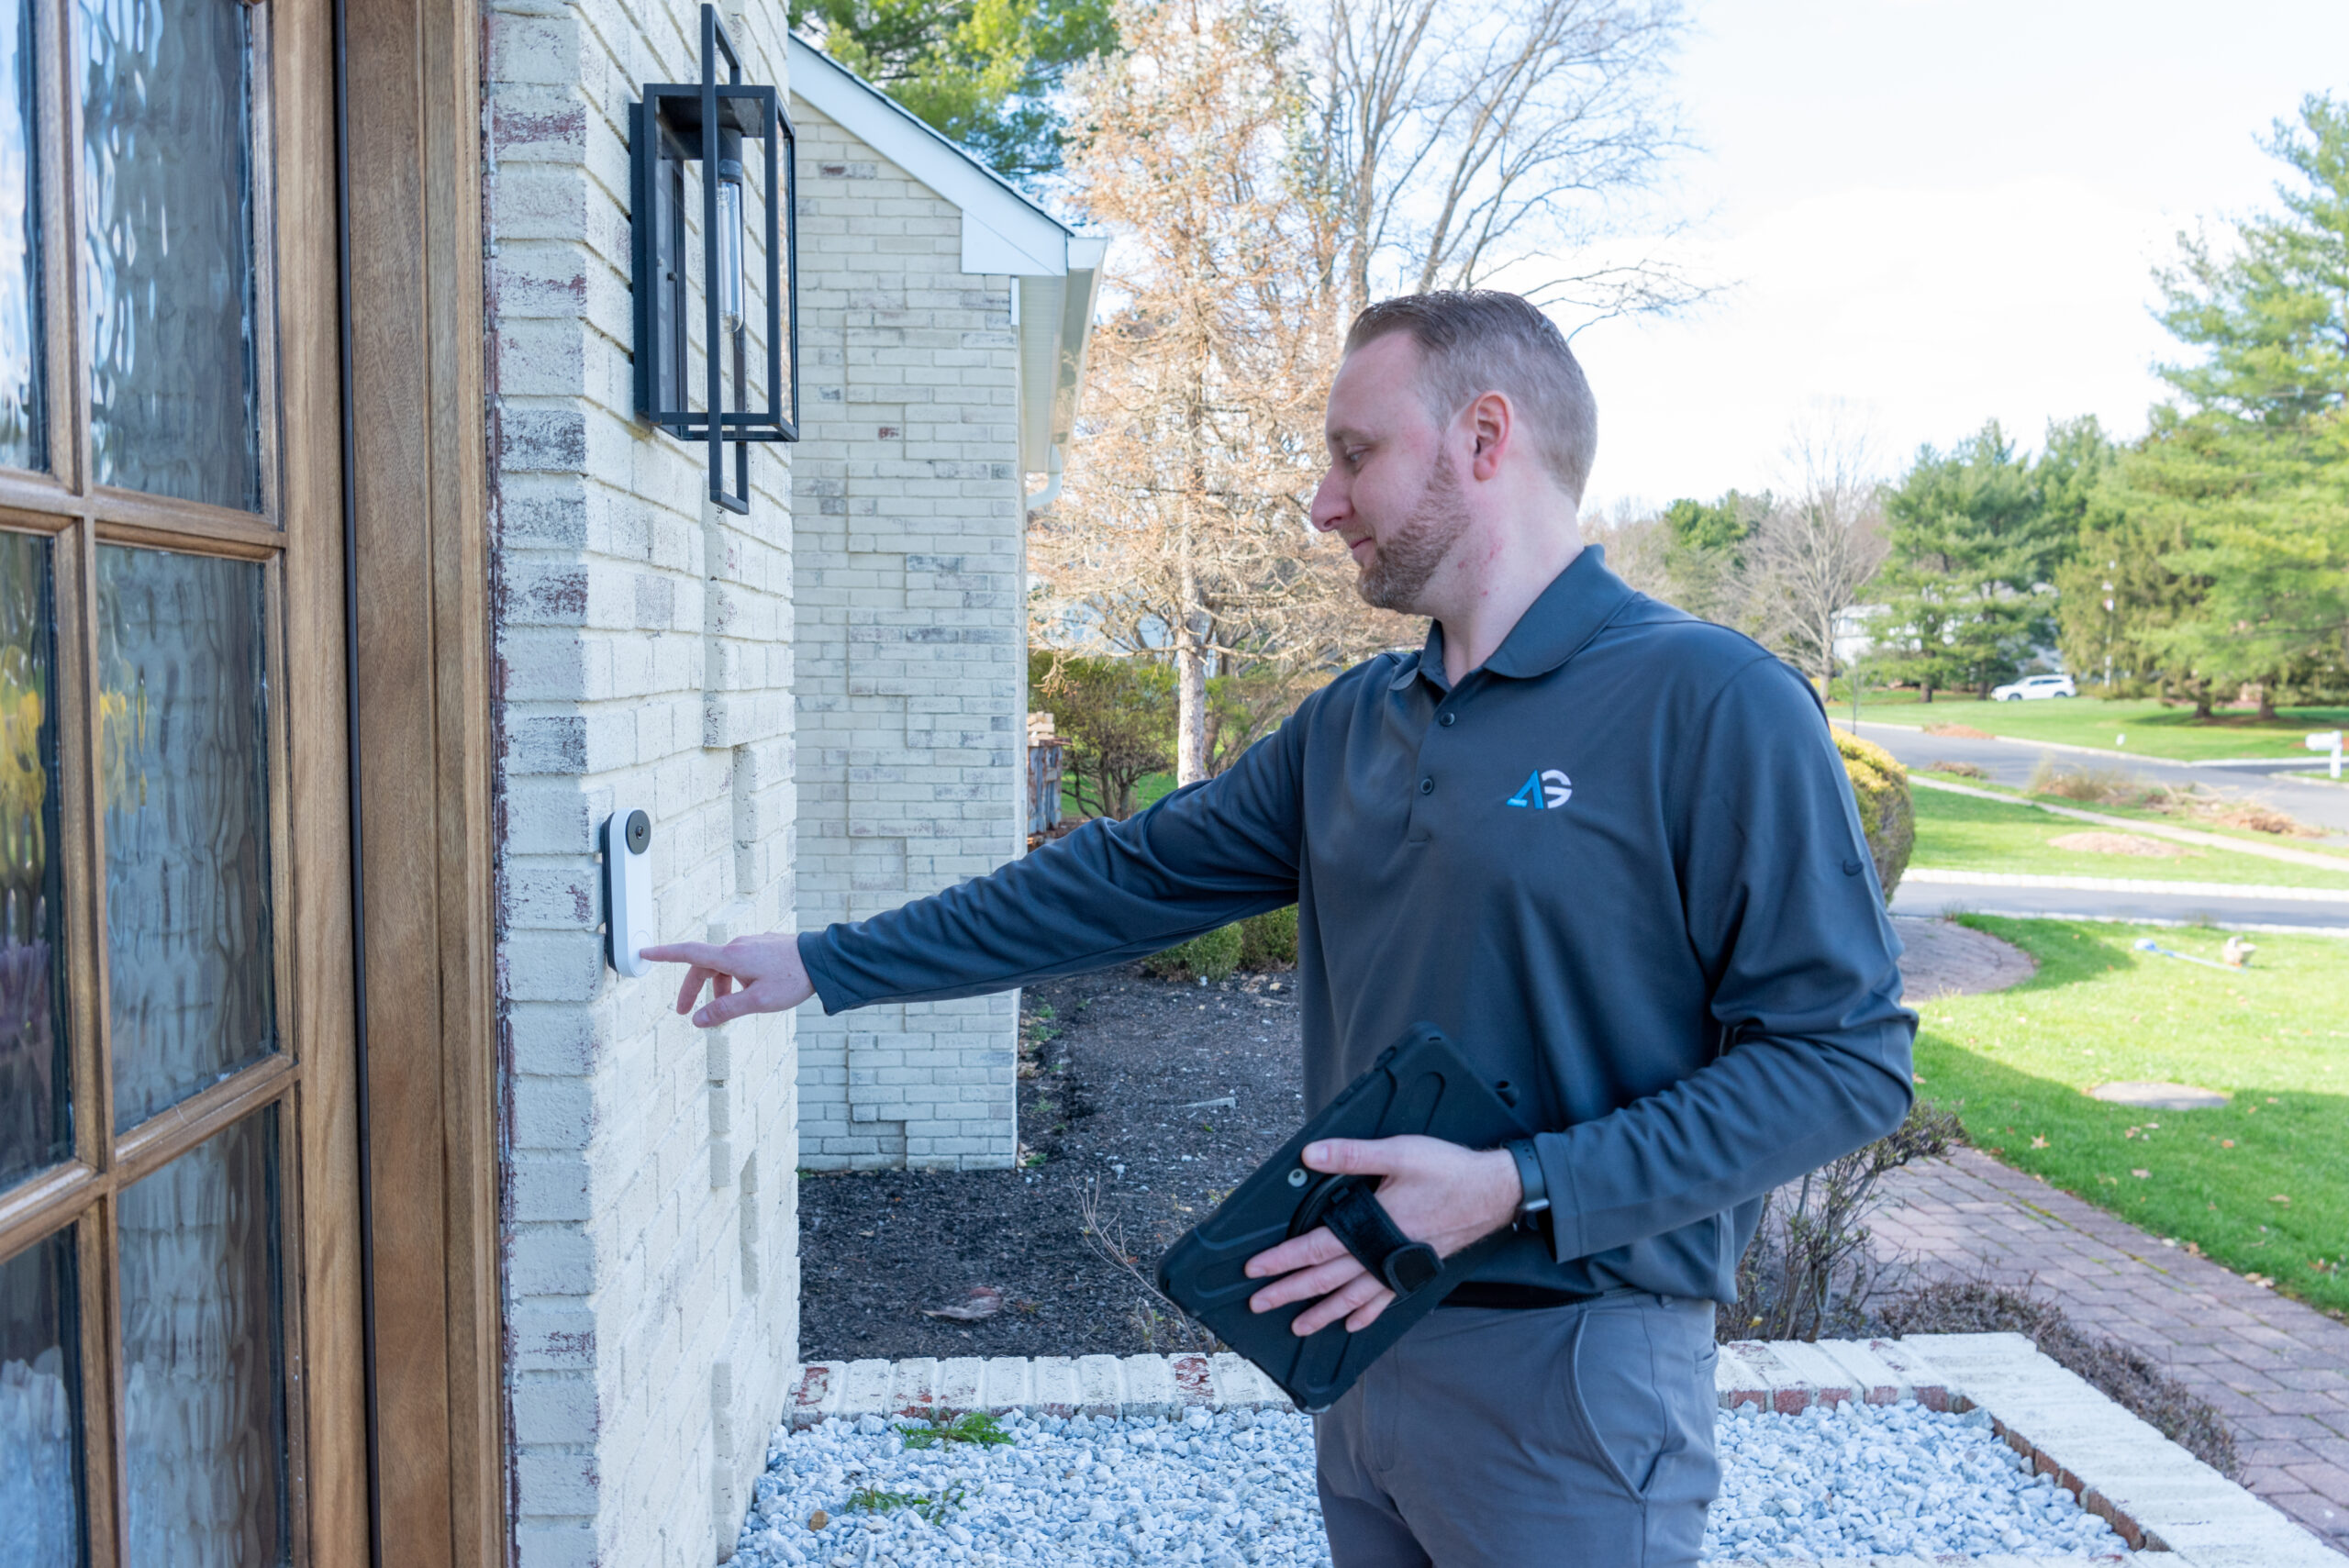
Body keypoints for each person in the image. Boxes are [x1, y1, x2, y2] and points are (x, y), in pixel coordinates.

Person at [645, 290, 1916, 1568]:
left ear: (1486, 438)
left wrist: (1511, 1187)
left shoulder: (1710, 701)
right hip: (1361, 1341)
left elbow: (1846, 1060)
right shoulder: (1359, 723)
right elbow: (1108, 880)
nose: (1322, 502)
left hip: (1571, 1372)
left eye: (1354, 453)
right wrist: (823, 961)